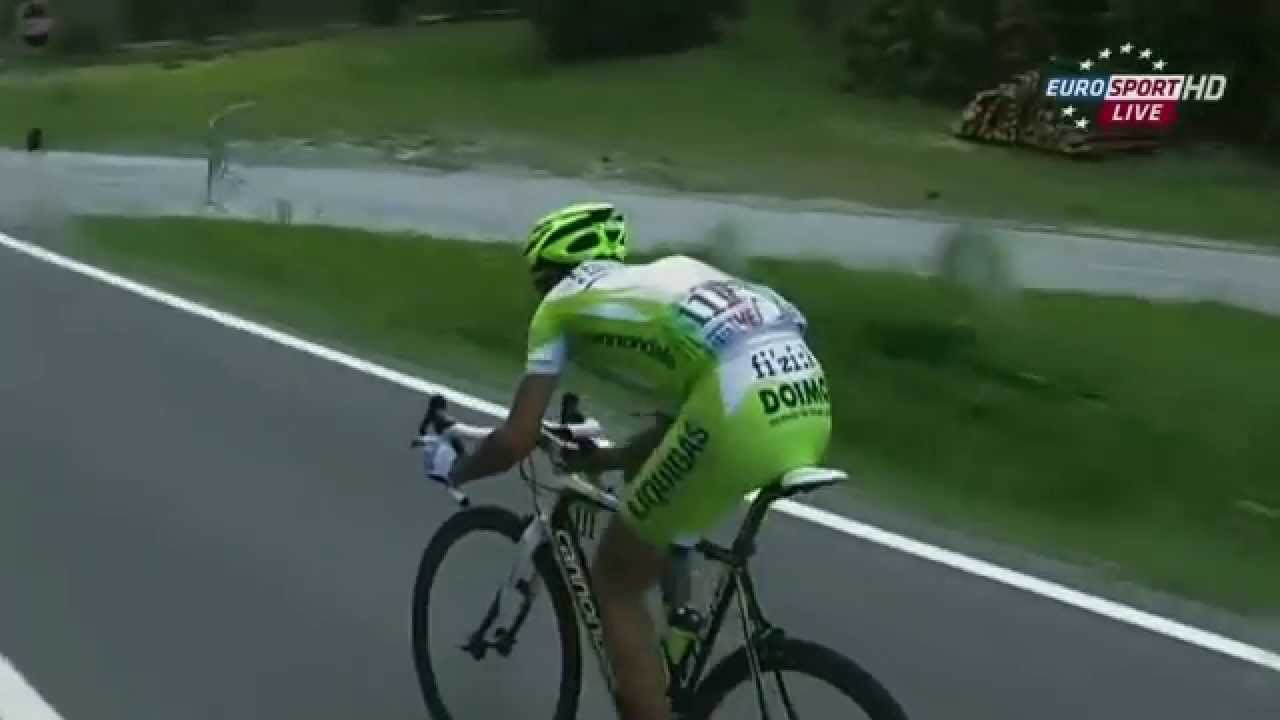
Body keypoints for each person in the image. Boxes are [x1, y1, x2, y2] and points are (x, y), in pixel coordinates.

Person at [446, 202, 832, 720]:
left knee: (616, 581)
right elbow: (680, 427)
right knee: (666, 503)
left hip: (738, 408)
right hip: (808, 398)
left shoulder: (559, 306)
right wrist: (612, 457)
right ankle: (680, 627)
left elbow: (516, 439)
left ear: (548, 273)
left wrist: (458, 470)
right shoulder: (665, 280)